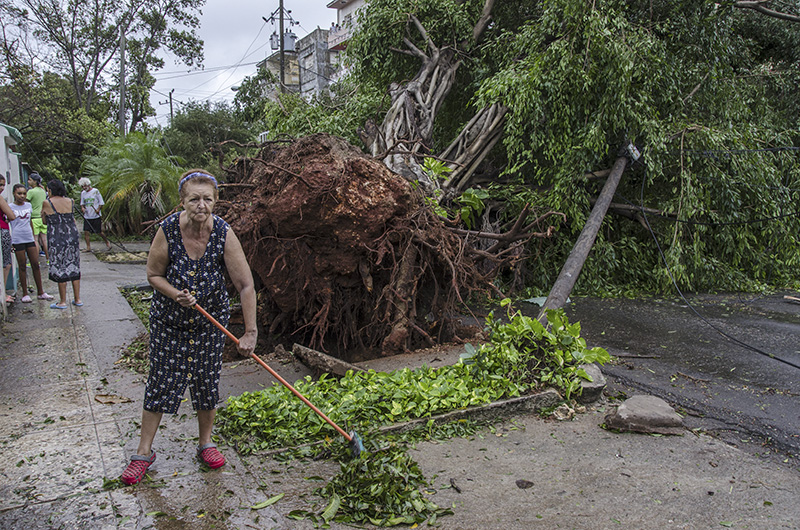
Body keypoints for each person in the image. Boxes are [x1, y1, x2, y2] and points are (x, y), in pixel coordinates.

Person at [121, 169, 258, 486]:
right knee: (161, 381)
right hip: (170, 321)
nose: (201, 205)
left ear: (215, 201)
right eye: (194, 199)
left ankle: (206, 443)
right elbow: (153, 275)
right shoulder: (167, 231)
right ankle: (143, 452)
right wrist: (175, 294)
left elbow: (246, 285)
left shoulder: (223, 233)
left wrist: (249, 332)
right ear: (182, 201)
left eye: (207, 199)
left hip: (210, 324)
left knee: (206, 380)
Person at [8, 184, 53, 302]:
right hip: (18, 239)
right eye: (19, 193)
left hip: (29, 238)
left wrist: (34, 237)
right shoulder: (10, 207)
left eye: (24, 193)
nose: (22, 196)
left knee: (35, 264)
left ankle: (41, 292)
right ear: (14, 194)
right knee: (22, 266)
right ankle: (24, 293)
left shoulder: (28, 205)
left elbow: (30, 222)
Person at [41, 179, 81, 309]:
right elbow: (72, 219)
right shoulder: (70, 201)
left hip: (56, 237)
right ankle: (77, 299)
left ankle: (63, 301)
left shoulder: (47, 203)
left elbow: (44, 222)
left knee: (60, 266)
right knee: (73, 265)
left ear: (50, 190)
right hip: (72, 236)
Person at [78, 177, 111, 252]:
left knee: (99, 232)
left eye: (85, 186)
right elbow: (82, 204)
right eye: (82, 186)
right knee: (86, 231)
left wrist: (98, 209)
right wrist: (83, 208)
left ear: (88, 185)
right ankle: (88, 247)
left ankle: (107, 242)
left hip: (95, 215)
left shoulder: (95, 191)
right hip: (87, 216)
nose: (84, 188)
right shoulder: (83, 193)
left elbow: (101, 202)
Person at [0, 176, 17, 304]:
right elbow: (11, 215)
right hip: (3, 231)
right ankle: (3, 293)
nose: (2, 188)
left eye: (3, 185)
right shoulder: (0, 198)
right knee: (7, 264)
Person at [26, 172, 49, 261]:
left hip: (34, 218)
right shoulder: (42, 191)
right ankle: (48, 259)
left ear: (34, 181)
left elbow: (25, 202)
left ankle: (35, 260)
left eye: (30, 180)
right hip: (42, 217)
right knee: (44, 240)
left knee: (35, 240)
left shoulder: (31, 191)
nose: (28, 181)